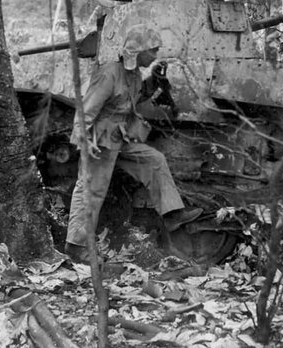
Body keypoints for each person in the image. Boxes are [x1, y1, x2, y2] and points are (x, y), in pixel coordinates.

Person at [64, 24, 202, 263]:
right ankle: (76, 245)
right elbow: (85, 110)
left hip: (119, 138)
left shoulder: (134, 75)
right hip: (100, 141)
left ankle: (171, 214)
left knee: (154, 160)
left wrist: (154, 83)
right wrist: (84, 142)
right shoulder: (109, 73)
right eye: (153, 50)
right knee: (91, 190)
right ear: (138, 52)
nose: (155, 55)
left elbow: (132, 101)